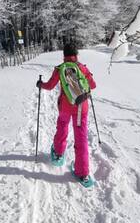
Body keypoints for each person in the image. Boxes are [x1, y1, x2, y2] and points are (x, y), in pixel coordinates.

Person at [36, 43, 96, 187]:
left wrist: (40, 84)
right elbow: (92, 85)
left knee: (62, 126)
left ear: (64, 55)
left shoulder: (60, 69)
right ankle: (83, 173)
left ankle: (58, 154)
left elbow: (50, 86)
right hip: (82, 107)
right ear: (76, 55)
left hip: (65, 107)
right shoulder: (82, 67)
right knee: (81, 138)